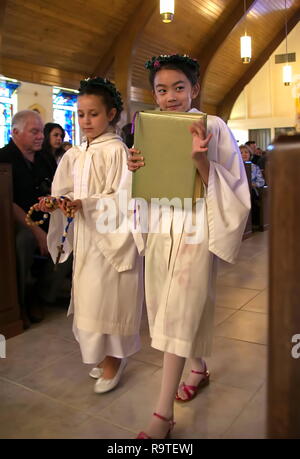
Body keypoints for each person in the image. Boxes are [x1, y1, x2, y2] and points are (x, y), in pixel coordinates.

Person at [127, 54, 250, 439]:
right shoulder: (148, 126)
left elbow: (235, 186)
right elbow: (141, 186)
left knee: (181, 308)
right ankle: (197, 368)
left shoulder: (213, 124)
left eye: (179, 88)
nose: (170, 97)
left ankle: (162, 415)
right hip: (162, 222)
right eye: (162, 90)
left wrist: (201, 161)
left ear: (194, 88)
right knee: (166, 306)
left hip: (196, 225)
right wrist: (135, 167)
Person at [40, 77, 143, 393]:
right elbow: (64, 189)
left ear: (111, 113)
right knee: (88, 300)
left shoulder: (118, 151)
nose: (85, 121)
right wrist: (58, 201)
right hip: (86, 238)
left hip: (110, 242)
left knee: (109, 301)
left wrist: (84, 203)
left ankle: (115, 358)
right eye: (81, 114)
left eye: (93, 114)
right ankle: (101, 355)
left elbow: (125, 199)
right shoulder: (74, 154)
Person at [0, 110, 70, 328]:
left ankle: (42, 295)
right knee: (25, 241)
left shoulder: (44, 157)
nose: (40, 136)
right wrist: (36, 231)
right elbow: (7, 202)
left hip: (46, 217)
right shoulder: (3, 158)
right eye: (34, 131)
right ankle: (21, 301)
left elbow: (55, 188)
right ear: (15, 132)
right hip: (15, 223)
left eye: (41, 131)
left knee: (70, 235)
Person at [240, 144, 265, 228]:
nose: (244, 154)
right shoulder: (235, 167)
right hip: (239, 190)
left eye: (246, 152)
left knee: (250, 195)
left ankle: (251, 223)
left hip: (252, 190)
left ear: (250, 154)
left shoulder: (255, 167)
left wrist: (254, 184)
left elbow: (261, 182)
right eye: (241, 152)